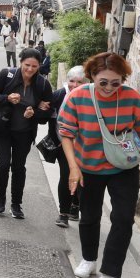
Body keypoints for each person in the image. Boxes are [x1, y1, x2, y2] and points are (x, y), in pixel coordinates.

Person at [58, 51, 140, 278]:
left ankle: (110, 277)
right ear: (92, 76)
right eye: (103, 82)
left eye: (116, 82)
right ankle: (89, 259)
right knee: (90, 217)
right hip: (88, 166)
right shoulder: (77, 98)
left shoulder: (132, 99)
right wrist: (74, 168)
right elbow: (65, 134)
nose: (109, 88)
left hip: (123, 167)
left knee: (123, 218)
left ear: (123, 79)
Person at [0, 48, 53, 219]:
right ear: (21, 62)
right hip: (2, 129)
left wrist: (34, 113)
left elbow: (46, 115)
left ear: (39, 66)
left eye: (34, 66)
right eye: (27, 65)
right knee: (3, 164)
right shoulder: (6, 75)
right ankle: (0, 198)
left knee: (19, 167)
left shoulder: (43, 85)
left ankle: (16, 204)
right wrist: (6, 98)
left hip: (25, 132)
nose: (30, 69)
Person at [49, 66, 86, 227]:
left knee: (82, 179)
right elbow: (47, 115)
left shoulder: (92, 98)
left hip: (85, 147)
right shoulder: (59, 95)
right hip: (64, 144)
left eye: (80, 82)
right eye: (72, 81)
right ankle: (63, 213)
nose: (75, 85)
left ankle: (75, 206)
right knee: (66, 176)